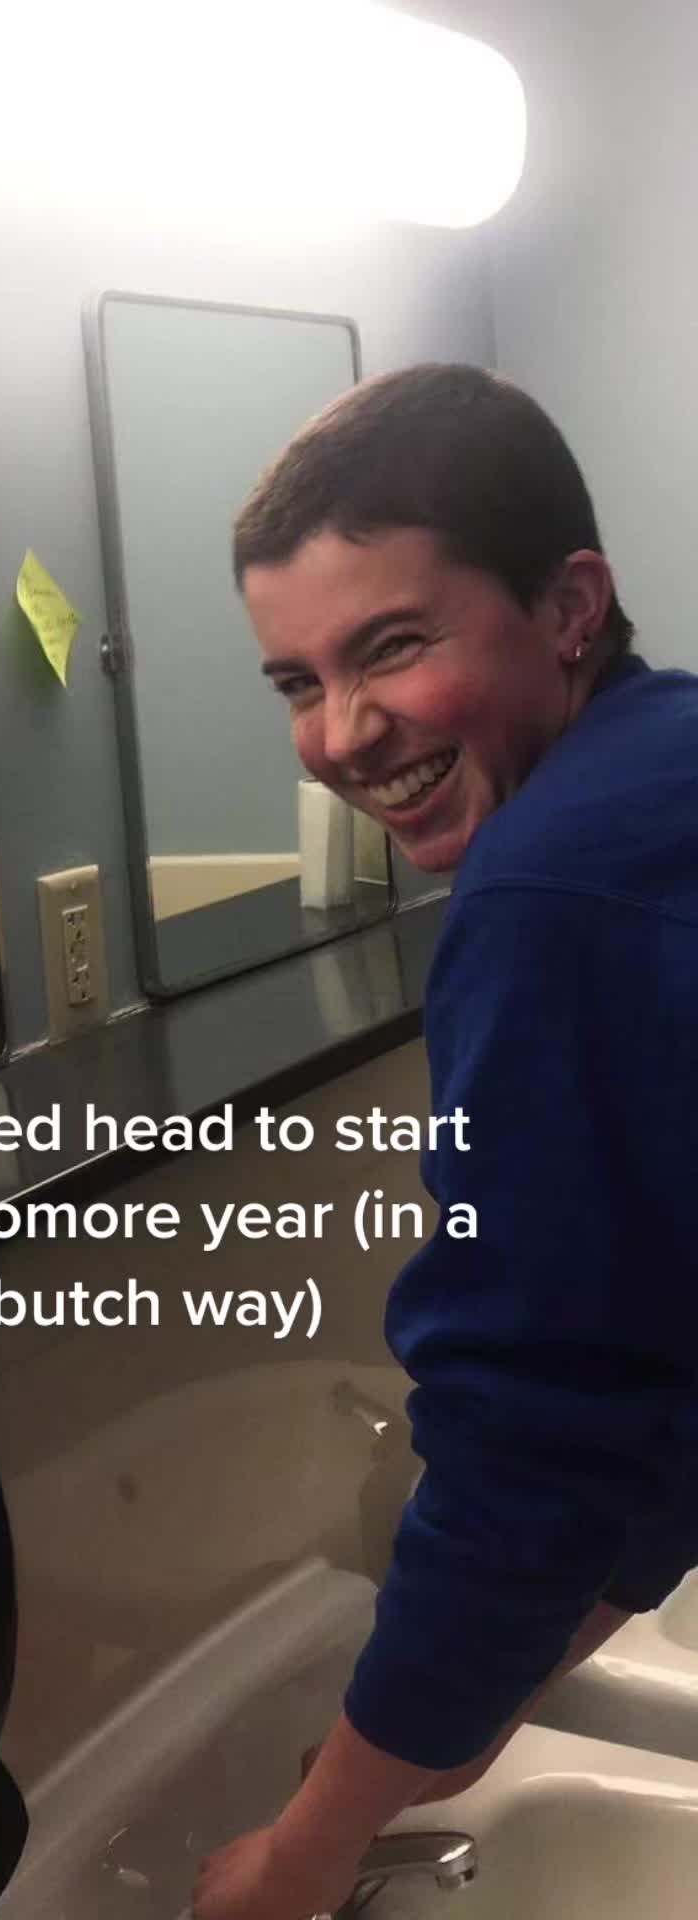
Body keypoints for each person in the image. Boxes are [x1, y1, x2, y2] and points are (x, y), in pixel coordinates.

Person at [192, 363, 698, 1920]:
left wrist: (306, 1851)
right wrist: (468, 1709)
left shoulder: (550, 890)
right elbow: (658, 1378)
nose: (343, 735)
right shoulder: (666, 770)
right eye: (296, 681)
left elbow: (535, 1432)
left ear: (569, 607)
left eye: (393, 647)